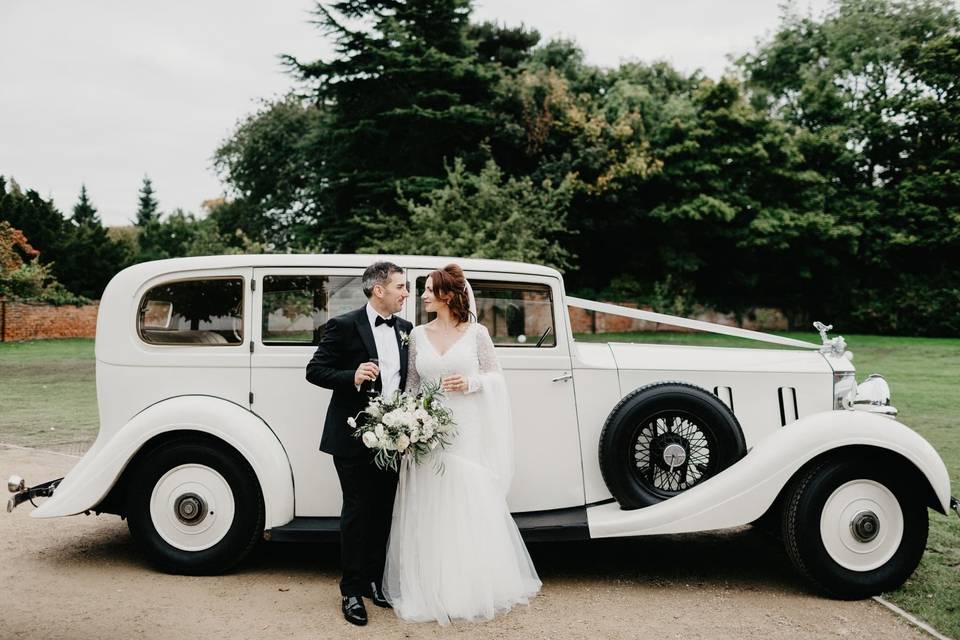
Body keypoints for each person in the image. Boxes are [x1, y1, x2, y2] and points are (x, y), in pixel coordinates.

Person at [383, 263, 541, 625]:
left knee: (466, 501)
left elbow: (495, 377)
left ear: (448, 295)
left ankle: (469, 588)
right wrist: (405, 423)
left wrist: (471, 384)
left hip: (465, 429)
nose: (420, 295)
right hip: (426, 433)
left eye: (426, 290)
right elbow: (411, 384)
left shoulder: (477, 333)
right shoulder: (418, 335)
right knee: (431, 504)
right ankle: (432, 587)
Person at [305, 261, 413, 626]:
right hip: (351, 436)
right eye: (400, 286)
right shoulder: (344, 325)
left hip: (393, 438)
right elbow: (314, 370)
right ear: (378, 289)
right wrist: (351, 375)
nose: (406, 293)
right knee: (356, 512)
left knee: (383, 511)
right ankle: (350, 591)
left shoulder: (406, 329)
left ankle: (374, 581)